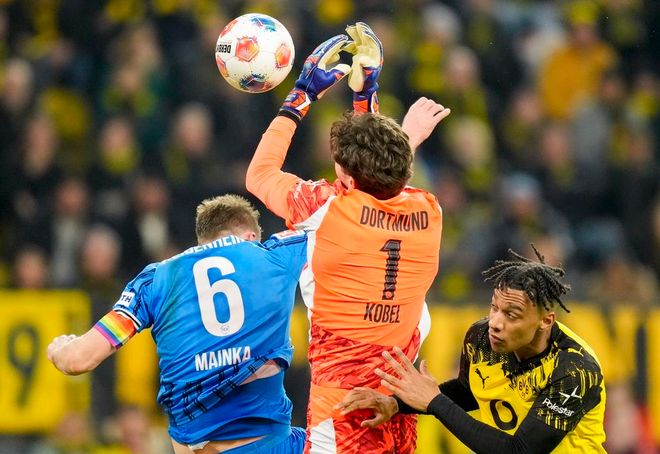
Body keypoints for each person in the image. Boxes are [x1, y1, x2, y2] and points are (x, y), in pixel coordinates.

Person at [246, 23, 451, 453]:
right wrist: (367, 95)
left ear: (344, 177)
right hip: (399, 399)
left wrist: (301, 95)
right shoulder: (428, 210)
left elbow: (260, 175)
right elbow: (386, 172)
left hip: (342, 405)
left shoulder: (324, 208)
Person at [47, 194, 308, 454]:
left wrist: (59, 348)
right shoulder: (273, 255)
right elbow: (328, 226)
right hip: (271, 446)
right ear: (251, 237)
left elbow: (78, 360)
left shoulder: (155, 280)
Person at [337, 246, 607, 453]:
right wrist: (397, 403)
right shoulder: (481, 339)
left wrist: (435, 402)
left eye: (511, 315)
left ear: (545, 321)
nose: (495, 323)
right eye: (494, 308)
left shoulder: (575, 371)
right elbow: (469, 391)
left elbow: (520, 451)